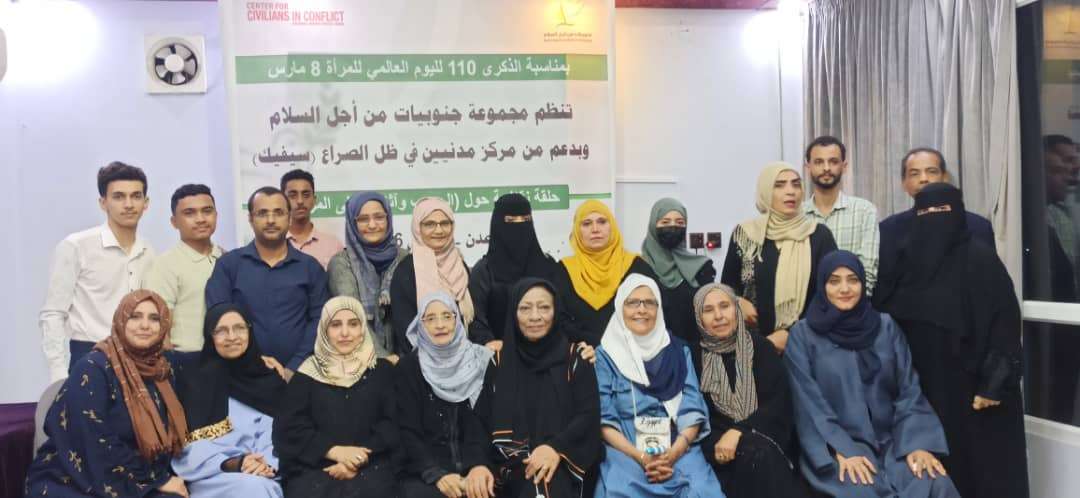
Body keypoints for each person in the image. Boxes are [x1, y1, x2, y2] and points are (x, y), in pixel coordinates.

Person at [874, 184, 1029, 498]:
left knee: (987, 475)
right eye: (925, 212)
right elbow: (885, 318)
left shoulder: (982, 261)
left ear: (958, 214)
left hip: (978, 397)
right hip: (925, 395)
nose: (934, 218)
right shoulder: (904, 264)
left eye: (943, 210)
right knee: (938, 475)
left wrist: (994, 384)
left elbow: (1005, 326)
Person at [785, 250, 960, 498]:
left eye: (853, 280)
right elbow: (809, 405)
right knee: (862, 491)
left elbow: (909, 390)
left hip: (896, 444)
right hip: (839, 449)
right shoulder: (803, 335)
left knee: (936, 483)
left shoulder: (885, 326)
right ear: (822, 286)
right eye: (834, 281)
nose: (845, 289)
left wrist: (917, 444)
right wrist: (842, 449)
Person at [26, 290, 190, 498]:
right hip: (75, 475)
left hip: (137, 475)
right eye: (135, 316)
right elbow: (93, 438)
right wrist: (157, 480)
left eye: (154, 318)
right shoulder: (93, 368)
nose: (145, 325)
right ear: (121, 320)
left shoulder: (163, 371)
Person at [593, 274, 724, 497]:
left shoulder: (678, 352)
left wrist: (673, 454)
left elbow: (693, 410)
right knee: (622, 491)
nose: (641, 310)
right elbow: (604, 420)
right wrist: (642, 457)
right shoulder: (606, 356)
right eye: (633, 302)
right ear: (620, 307)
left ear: (659, 308)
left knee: (701, 490)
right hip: (626, 448)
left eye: (649, 302)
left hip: (678, 445)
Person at [474, 278, 601, 498]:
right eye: (525, 308)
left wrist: (555, 448)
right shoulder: (500, 362)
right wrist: (477, 465)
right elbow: (479, 422)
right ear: (513, 314)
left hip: (563, 462)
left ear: (556, 312)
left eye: (544, 307)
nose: (535, 316)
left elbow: (588, 416)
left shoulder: (575, 359)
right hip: (509, 466)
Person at [40, 162, 157, 381]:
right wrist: (58, 374)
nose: (129, 204)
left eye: (136, 196)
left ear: (146, 203)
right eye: (119, 197)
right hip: (89, 354)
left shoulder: (148, 251)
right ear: (103, 202)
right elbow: (53, 313)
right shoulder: (76, 246)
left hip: (137, 359)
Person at [273, 296, 400, 498]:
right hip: (317, 467)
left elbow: (393, 424)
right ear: (324, 330)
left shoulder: (382, 371)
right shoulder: (306, 375)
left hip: (374, 463)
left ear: (363, 329)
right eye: (335, 325)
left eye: (353, 324)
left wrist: (357, 458)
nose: (345, 333)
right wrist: (333, 451)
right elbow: (289, 430)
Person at [692, 283, 807, 498]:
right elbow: (695, 414)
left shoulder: (761, 348)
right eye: (708, 310)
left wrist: (739, 431)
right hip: (717, 452)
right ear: (699, 318)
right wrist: (720, 442)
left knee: (757, 453)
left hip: (764, 443)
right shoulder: (692, 357)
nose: (719, 316)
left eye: (725, 306)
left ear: (736, 310)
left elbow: (778, 405)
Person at [206, 186, 329, 378]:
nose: (271, 220)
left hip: (301, 376)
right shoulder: (229, 265)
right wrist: (254, 362)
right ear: (250, 219)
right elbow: (219, 321)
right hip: (242, 375)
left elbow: (320, 320)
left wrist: (294, 367)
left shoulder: (310, 268)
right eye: (262, 213)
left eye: (278, 213)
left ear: (289, 217)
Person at [172, 303, 287, 498]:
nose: (232, 337)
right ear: (210, 336)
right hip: (213, 474)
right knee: (254, 488)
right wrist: (236, 463)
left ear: (250, 332)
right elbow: (187, 446)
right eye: (221, 331)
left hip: (263, 470)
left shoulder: (269, 380)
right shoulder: (195, 381)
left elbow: (282, 434)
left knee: (260, 486)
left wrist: (265, 464)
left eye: (239, 328)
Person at [720, 162, 837, 353]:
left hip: (805, 343)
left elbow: (828, 294)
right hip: (751, 345)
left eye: (796, 184)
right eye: (779, 185)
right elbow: (727, 285)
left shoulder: (818, 235)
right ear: (766, 191)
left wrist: (792, 332)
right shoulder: (745, 234)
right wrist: (737, 301)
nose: (790, 191)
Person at [397, 292, 496, 498]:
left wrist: (479, 465)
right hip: (425, 472)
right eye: (430, 318)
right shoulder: (408, 368)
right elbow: (407, 431)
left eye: (447, 316)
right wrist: (436, 474)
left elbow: (487, 422)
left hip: (478, 466)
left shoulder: (480, 361)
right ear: (420, 325)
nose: (440, 325)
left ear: (457, 320)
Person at [877, 147, 995, 290]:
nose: (924, 179)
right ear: (904, 183)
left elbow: (989, 283)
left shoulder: (977, 226)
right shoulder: (889, 229)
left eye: (932, 171)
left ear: (945, 178)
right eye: (914, 174)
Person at [551, 200, 658, 346]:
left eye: (602, 222)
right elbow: (558, 319)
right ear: (577, 230)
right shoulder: (563, 270)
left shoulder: (637, 267)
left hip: (631, 352)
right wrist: (592, 345)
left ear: (612, 227)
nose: (595, 229)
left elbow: (653, 313)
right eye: (586, 223)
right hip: (581, 353)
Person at [145, 184, 225, 368]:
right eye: (189, 213)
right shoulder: (165, 264)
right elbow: (158, 326)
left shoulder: (227, 258)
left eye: (207, 211)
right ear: (174, 222)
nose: (201, 219)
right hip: (187, 361)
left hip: (227, 358)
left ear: (216, 215)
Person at [468, 193, 560, 352]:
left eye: (525, 219)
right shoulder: (484, 271)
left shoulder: (548, 265)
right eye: (510, 220)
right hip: (501, 355)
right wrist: (490, 343)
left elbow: (560, 313)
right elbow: (476, 321)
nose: (519, 226)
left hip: (547, 355)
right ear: (497, 224)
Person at [327, 191, 408, 363]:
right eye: (363, 219)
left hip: (405, 359)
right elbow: (353, 316)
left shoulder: (404, 258)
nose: (372, 225)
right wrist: (383, 358)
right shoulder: (342, 263)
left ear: (388, 219)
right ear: (352, 223)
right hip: (358, 361)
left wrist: (408, 360)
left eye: (379, 217)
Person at [391, 197, 475, 355]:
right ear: (418, 228)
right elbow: (405, 329)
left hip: (464, 357)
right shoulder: (406, 270)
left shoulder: (460, 265)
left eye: (445, 223)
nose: (439, 230)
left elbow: (472, 321)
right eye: (429, 224)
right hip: (422, 359)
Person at [802, 136, 880, 293]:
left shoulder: (864, 211)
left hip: (851, 302)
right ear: (807, 167)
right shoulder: (798, 215)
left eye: (833, 161)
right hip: (806, 305)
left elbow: (867, 272)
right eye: (819, 162)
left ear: (844, 167)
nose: (826, 168)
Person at [640, 198, 716, 349]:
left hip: (696, 350)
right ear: (653, 225)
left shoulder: (702, 268)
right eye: (665, 222)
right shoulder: (639, 268)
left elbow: (708, 311)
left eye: (680, 223)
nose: (673, 227)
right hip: (652, 352)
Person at [281, 169, 344, 269]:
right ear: (282, 201)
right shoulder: (273, 244)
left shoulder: (333, 245)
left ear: (314, 200)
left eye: (306, 195)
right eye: (293, 195)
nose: (300, 201)